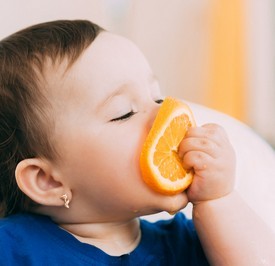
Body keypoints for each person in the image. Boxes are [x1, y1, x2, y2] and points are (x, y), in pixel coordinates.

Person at [0, 20, 274, 266]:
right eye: (124, 113)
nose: (164, 115)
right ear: (48, 180)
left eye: (157, 99)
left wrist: (218, 199)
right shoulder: (14, 248)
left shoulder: (194, 242)